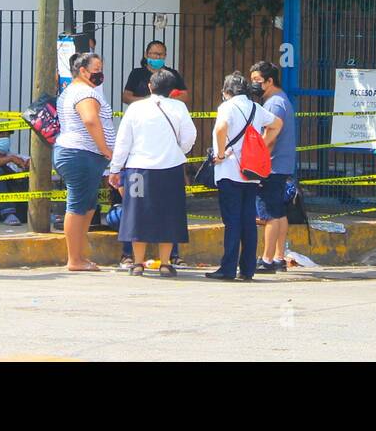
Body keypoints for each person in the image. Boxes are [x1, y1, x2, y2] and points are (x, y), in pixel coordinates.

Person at [106, 67, 196, 276]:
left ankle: (138, 263)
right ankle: (165, 263)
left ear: (149, 86)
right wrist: (178, 150)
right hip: (171, 169)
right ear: (173, 89)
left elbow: (123, 141)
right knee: (169, 214)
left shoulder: (136, 109)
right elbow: (190, 136)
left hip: (139, 169)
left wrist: (115, 168)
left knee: (137, 215)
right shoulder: (179, 108)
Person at [206, 71, 283, 281]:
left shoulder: (227, 107)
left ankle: (228, 268)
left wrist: (220, 154)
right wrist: (262, 145)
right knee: (248, 221)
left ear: (227, 91)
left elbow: (221, 128)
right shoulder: (255, 107)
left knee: (232, 222)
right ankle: (247, 269)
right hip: (251, 172)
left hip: (229, 171)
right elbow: (277, 124)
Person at [54, 51, 115, 271]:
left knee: (88, 205)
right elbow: (90, 120)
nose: (100, 74)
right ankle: (74, 259)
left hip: (82, 154)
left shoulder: (76, 90)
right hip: (81, 153)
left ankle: (79, 255)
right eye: (97, 70)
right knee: (78, 204)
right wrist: (104, 148)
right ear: (82, 71)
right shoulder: (83, 92)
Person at [250, 60, 296, 273]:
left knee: (269, 214)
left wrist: (258, 163)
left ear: (270, 81)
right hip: (281, 165)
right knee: (279, 212)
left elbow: (270, 137)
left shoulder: (274, 104)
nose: (255, 85)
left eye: (258, 81)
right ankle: (278, 258)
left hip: (272, 166)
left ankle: (267, 260)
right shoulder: (280, 100)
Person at [121, 40, 187, 105]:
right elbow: (126, 97)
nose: (158, 57)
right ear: (146, 55)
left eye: (161, 54)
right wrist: (148, 100)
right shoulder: (136, 73)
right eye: (154, 53)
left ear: (165, 56)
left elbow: (185, 96)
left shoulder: (172, 73)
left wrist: (166, 101)